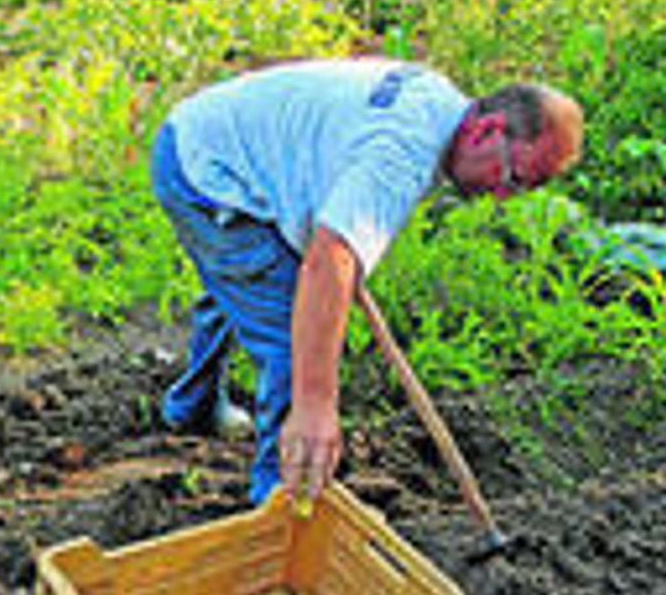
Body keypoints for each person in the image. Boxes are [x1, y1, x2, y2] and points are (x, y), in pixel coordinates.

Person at [151, 58, 584, 506]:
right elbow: (329, 261)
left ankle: (192, 406)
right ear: (487, 130)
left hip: (213, 134)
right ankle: (284, 497)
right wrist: (316, 405)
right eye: (511, 178)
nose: (500, 196)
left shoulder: (437, 102)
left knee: (243, 285)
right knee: (289, 332)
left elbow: (338, 211)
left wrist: (338, 250)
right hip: (207, 172)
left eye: (519, 191)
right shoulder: (402, 155)